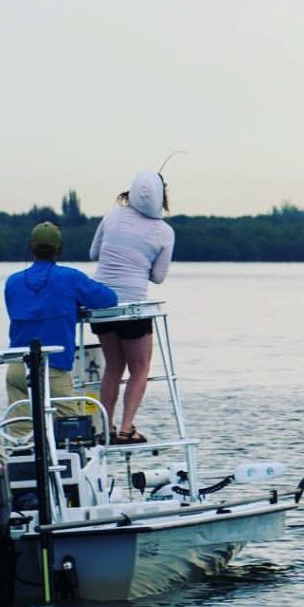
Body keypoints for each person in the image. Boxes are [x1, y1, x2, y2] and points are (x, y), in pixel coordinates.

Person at [4, 221, 117, 435]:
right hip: (52, 369)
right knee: (71, 435)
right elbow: (109, 299)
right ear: (59, 249)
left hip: (17, 368)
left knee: (21, 438)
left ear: (31, 248)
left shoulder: (12, 282)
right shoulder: (70, 278)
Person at [89, 171, 175, 443]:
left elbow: (94, 254)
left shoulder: (112, 216)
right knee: (140, 369)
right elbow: (158, 277)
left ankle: (106, 428)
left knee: (113, 367)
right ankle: (127, 429)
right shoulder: (165, 232)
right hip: (133, 307)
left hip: (101, 304)